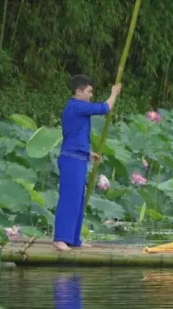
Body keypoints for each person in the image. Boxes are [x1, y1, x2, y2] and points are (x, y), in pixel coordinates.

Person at [53, 74, 122, 251]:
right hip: (70, 159)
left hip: (78, 157)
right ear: (78, 91)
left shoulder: (78, 109)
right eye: (89, 91)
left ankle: (74, 239)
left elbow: (75, 134)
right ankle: (60, 238)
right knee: (69, 199)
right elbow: (104, 108)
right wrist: (113, 94)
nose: (91, 95)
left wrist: (88, 153)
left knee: (78, 200)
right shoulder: (75, 106)